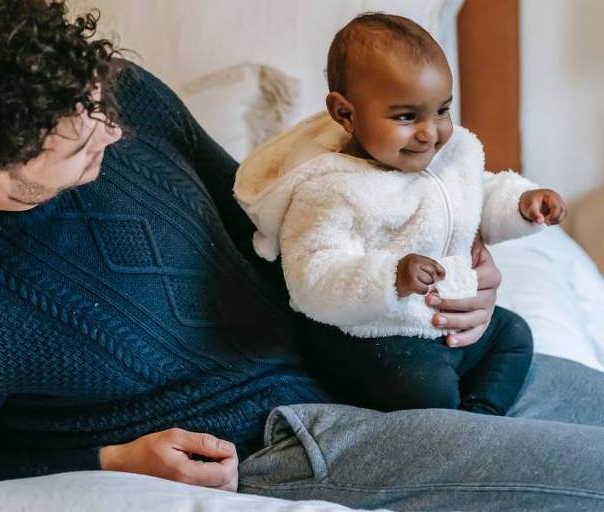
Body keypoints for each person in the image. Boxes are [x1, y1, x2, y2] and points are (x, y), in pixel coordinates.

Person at [0, 1, 604, 510]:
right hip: (285, 433)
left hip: (360, 344)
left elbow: (268, 222)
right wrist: (114, 460)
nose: (112, 129)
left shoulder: (123, 99)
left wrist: (457, 257)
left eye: (101, 102)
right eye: (81, 143)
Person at [233, 13, 566, 416]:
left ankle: (483, 416)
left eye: (442, 110)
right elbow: (313, 278)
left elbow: (478, 193)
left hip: (442, 323)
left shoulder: (449, 154)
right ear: (345, 114)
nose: (430, 132)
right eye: (406, 116)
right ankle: (446, 420)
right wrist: (391, 276)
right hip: (374, 337)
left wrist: (523, 203)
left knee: (514, 335)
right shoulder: (330, 189)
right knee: (423, 389)